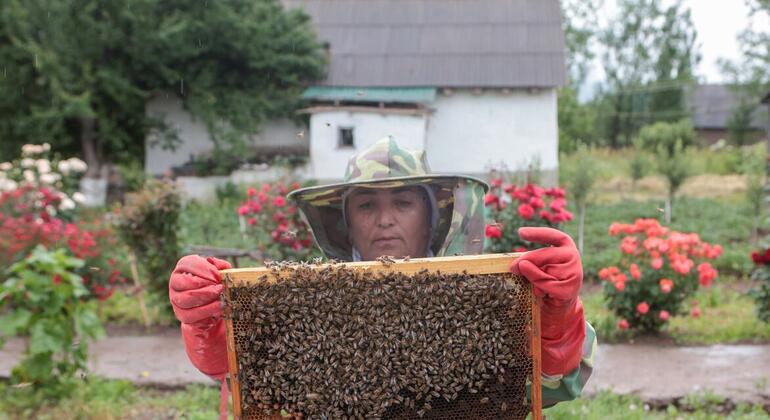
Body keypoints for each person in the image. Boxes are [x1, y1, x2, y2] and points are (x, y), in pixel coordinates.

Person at [169, 137, 596, 415]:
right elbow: (246, 377)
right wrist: (206, 324)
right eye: (367, 206)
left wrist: (558, 319)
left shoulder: (488, 294)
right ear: (346, 221)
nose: (385, 220)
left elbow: (555, 387)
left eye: (404, 203)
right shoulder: (307, 300)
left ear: (432, 217)